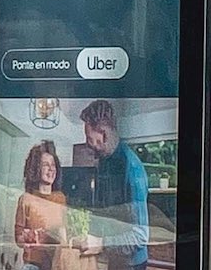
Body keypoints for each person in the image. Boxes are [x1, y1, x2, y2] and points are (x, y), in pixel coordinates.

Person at [77, 99, 149, 270]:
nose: (87, 143)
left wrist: (101, 243)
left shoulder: (131, 169)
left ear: (103, 134)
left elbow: (140, 237)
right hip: (116, 259)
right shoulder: (105, 161)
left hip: (132, 265)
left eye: (89, 137)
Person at [14, 140, 68, 270]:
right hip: (33, 266)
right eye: (45, 164)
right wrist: (29, 237)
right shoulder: (26, 199)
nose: (51, 169)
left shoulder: (60, 198)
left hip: (56, 264)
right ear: (36, 169)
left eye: (53, 165)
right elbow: (18, 239)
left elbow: (64, 235)